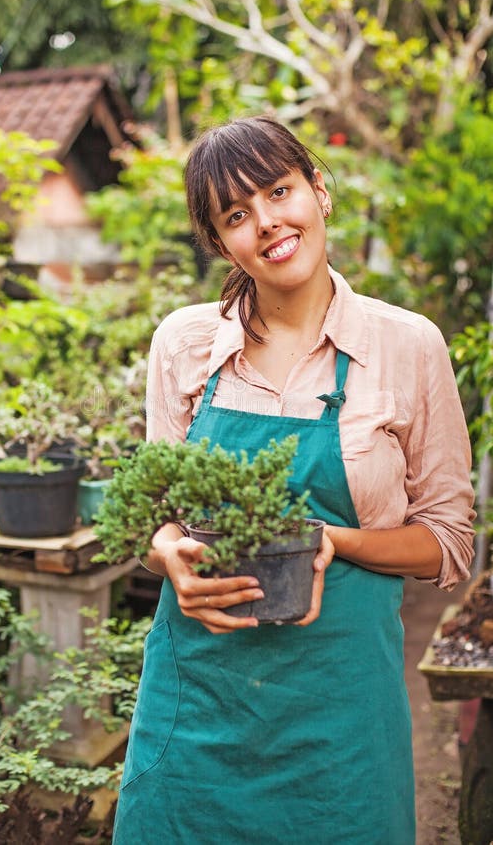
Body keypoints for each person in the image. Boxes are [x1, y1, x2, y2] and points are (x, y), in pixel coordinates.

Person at [112, 117, 475, 845]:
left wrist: (329, 540)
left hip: (340, 718)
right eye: (236, 216)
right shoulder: (185, 345)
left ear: (320, 191)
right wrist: (167, 556)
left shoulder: (406, 346)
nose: (268, 224)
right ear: (220, 244)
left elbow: (450, 544)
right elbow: (153, 510)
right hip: (199, 705)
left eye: (280, 191)